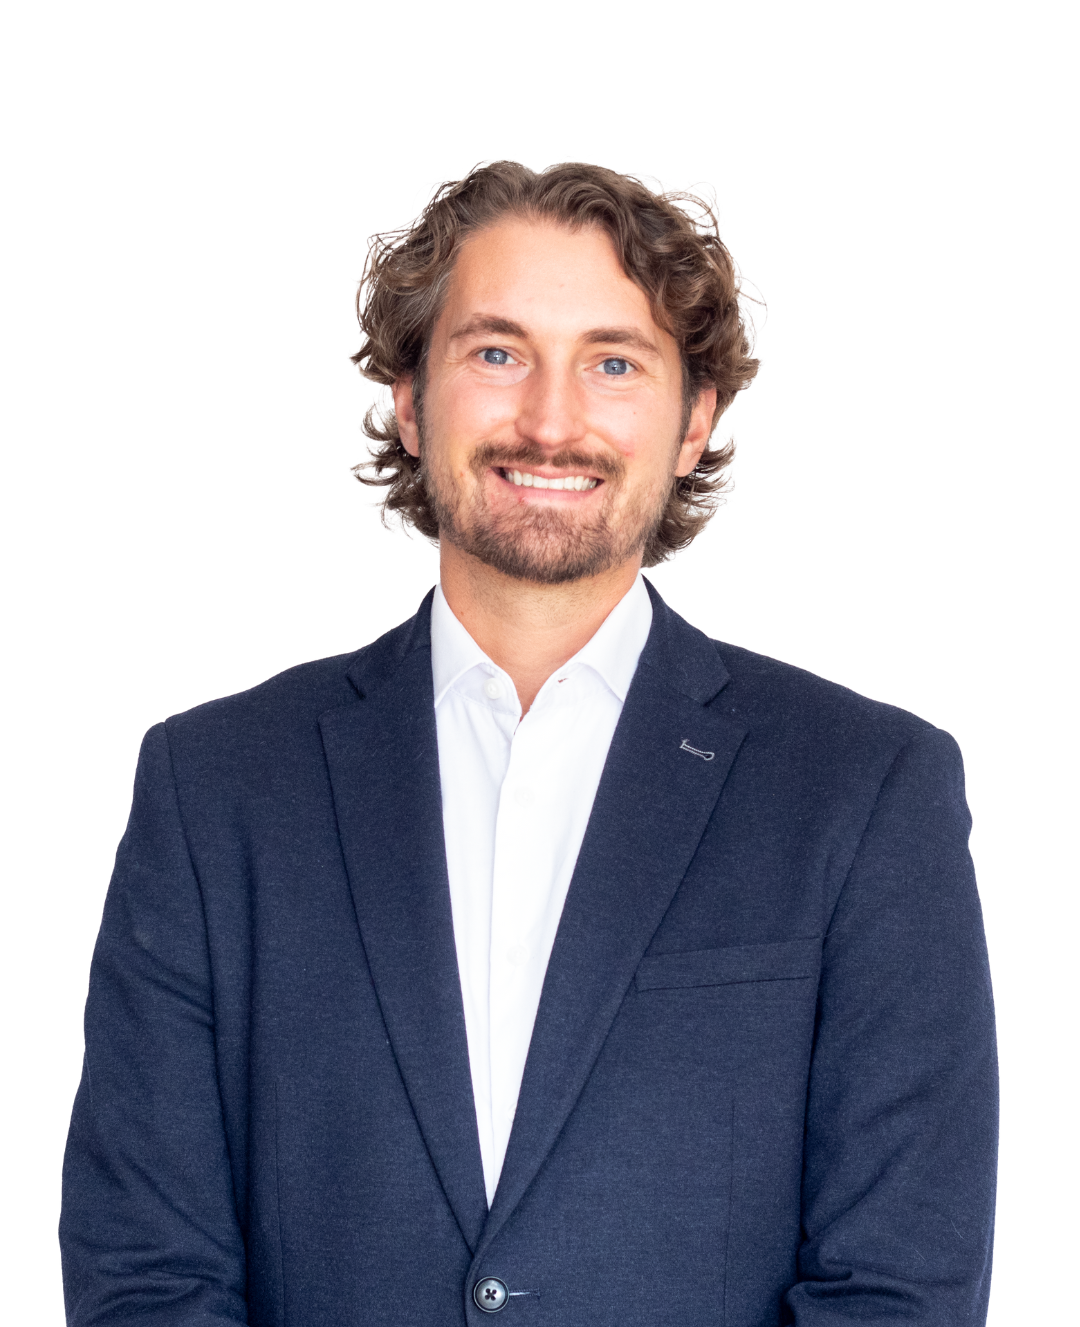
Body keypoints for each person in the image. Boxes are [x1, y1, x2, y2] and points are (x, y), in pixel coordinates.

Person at [59, 161, 998, 1327]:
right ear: (410, 399)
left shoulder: (865, 792)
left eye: (614, 363)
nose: (551, 419)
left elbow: (899, 1289)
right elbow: (145, 1273)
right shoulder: (214, 794)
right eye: (497, 352)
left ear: (695, 420)